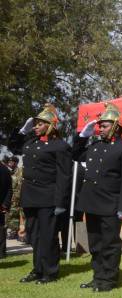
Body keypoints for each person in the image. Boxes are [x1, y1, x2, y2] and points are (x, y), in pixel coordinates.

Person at [73, 103, 122, 292]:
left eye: (104, 125)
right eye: (99, 126)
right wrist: (82, 137)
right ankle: (97, 276)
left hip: (111, 203)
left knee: (109, 243)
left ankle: (108, 280)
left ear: (116, 126)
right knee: (95, 243)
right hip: (91, 202)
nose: (100, 129)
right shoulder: (94, 146)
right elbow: (76, 154)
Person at [8, 104, 72, 283]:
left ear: (50, 125)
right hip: (30, 196)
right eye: (34, 124)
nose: (35, 127)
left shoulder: (60, 146)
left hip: (49, 197)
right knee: (34, 236)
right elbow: (14, 147)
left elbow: (64, 176)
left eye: (39, 124)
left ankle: (50, 272)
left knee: (48, 235)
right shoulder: (30, 143)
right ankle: (37, 269)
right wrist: (22, 130)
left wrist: (60, 202)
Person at [0, 159, 13, 258]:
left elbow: (9, 188)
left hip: (1, 205)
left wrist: (5, 204)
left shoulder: (4, 170)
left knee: (1, 229)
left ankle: (1, 252)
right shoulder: (5, 169)